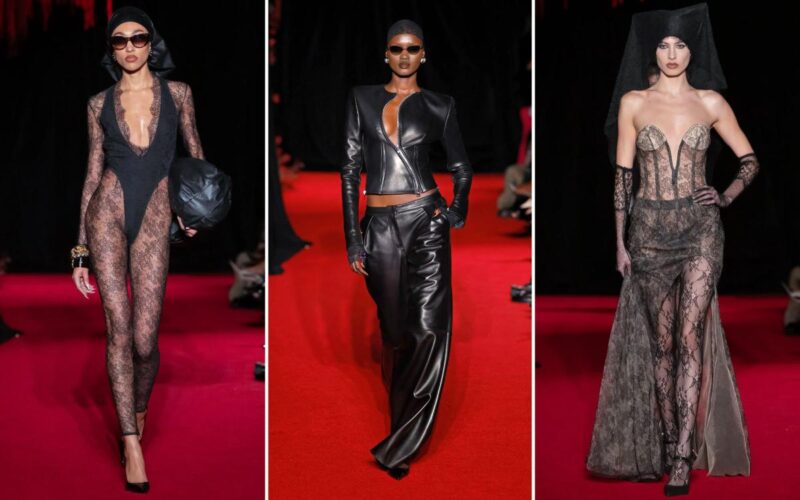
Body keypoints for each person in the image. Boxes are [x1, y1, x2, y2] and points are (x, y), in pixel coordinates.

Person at [586, 4, 754, 496]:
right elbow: (623, 178)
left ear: (693, 50)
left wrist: (724, 196)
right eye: (663, 45)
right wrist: (620, 242)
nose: (672, 53)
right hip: (649, 231)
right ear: (652, 50)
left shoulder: (711, 102)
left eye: (680, 45)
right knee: (662, 346)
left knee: (689, 338)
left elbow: (749, 160)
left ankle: (682, 453)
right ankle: (664, 438)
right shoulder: (634, 103)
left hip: (700, 230)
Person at [71, 6, 202, 493]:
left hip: (154, 216)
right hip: (106, 213)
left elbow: (196, 157)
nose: (129, 47)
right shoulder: (97, 103)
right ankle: (130, 441)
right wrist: (80, 249)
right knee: (118, 330)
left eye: (138, 38)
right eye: (119, 41)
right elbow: (91, 174)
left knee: (146, 341)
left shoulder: (179, 94)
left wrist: (197, 210)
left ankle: (138, 407)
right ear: (111, 49)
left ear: (152, 43)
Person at [340, 19, 472, 480]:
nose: (404, 56)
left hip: (425, 221)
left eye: (412, 48)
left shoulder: (440, 105)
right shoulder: (361, 99)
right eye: (396, 48)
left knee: (428, 330)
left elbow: (461, 166)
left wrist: (454, 212)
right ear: (386, 54)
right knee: (395, 332)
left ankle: (402, 441)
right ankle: (400, 425)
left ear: (423, 55)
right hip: (378, 226)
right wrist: (352, 237)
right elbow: (349, 169)